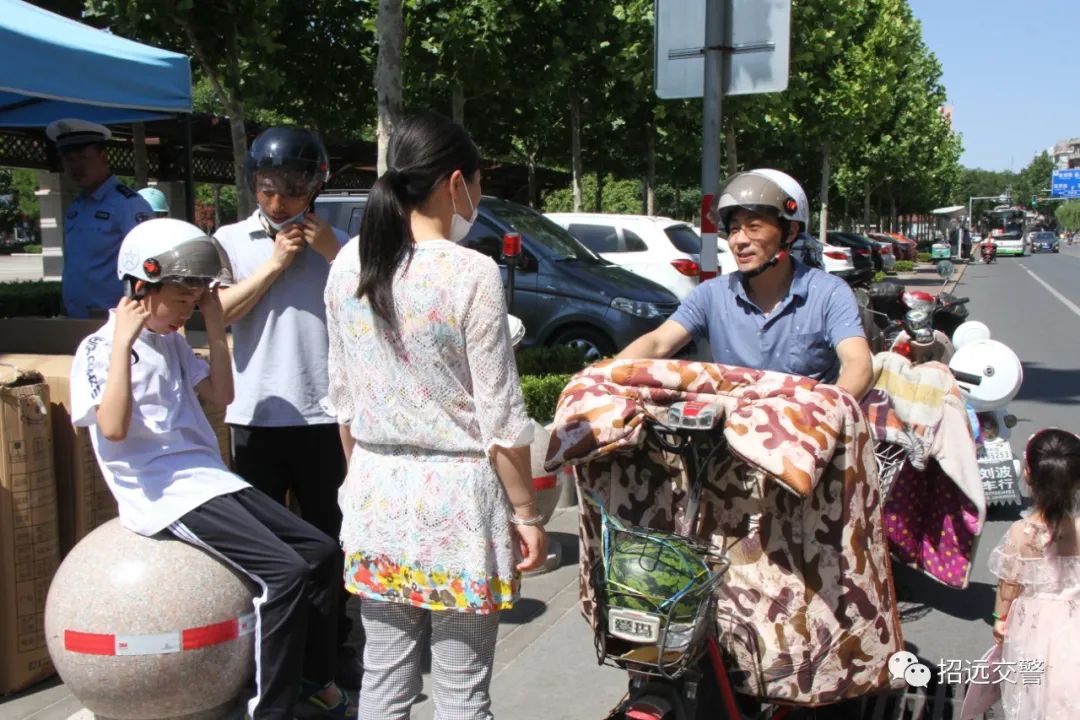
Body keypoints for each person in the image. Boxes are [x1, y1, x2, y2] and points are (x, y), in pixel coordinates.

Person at [69, 218, 353, 720]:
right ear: (141, 287)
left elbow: (222, 395)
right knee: (283, 573)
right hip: (163, 493)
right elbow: (112, 428)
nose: (186, 311)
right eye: (180, 299)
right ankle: (270, 709)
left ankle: (312, 677)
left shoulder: (172, 342)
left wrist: (216, 325)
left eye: (193, 300)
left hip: (208, 479)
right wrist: (121, 345)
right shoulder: (100, 347)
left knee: (322, 550)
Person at [322, 111, 547, 720]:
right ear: (455, 183)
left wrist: (357, 482)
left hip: (375, 494)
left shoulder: (347, 265)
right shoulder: (470, 272)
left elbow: (343, 401)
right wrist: (526, 514)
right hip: (459, 506)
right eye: (478, 183)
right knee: (461, 692)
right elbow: (502, 418)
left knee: (384, 680)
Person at [214, 127, 358, 686]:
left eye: (292, 191)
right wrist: (273, 265)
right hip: (255, 414)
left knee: (330, 539)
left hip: (325, 416)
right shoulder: (229, 240)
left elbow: (375, 302)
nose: (277, 204)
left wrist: (332, 254)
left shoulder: (341, 244)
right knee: (261, 546)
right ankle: (265, 656)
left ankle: (331, 652)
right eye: (267, 190)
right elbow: (217, 314)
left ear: (315, 187)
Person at [617, 169, 874, 399]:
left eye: (754, 227)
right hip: (730, 427)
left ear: (790, 232)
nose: (739, 240)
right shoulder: (711, 294)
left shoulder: (829, 293)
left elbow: (858, 364)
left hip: (805, 428)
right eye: (734, 229)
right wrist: (603, 378)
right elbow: (658, 343)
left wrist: (825, 412)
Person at [989, 427, 1080, 719]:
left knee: (1034, 691)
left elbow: (1008, 584)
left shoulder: (1022, 533)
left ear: (1027, 475)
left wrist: (1000, 619)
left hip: (1033, 627)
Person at [46, 118, 154, 318]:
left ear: (103, 157)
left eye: (83, 157)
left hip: (113, 320)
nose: (76, 166)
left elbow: (149, 265)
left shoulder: (127, 204)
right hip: (74, 317)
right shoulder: (76, 206)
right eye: (69, 159)